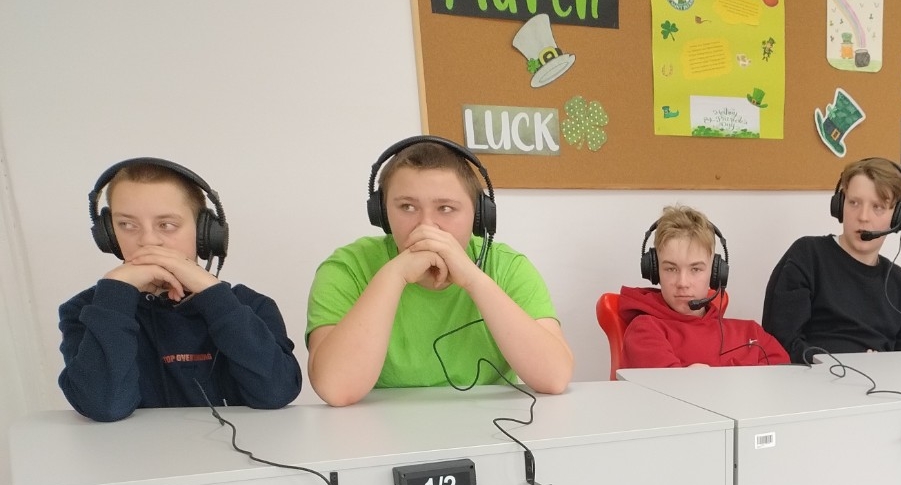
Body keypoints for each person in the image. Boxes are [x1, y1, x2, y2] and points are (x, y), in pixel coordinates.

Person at [306, 135, 572, 405]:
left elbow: (554, 377)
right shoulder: (348, 267)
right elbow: (336, 389)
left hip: (489, 423)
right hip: (378, 427)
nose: (426, 226)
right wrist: (394, 275)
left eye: (446, 208)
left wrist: (473, 279)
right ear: (381, 213)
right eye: (407, 207)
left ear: (479, 215)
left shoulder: (507, 266)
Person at [58, 158, 302, 422]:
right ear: (107, 235)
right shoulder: (89, 310)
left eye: (166, 225)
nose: (147, 240)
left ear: (205, 232)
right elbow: (105, 407)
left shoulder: (251, 307)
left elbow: (276, 393)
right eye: (127, 225)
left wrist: (213, 295)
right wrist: (115, 295)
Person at [761, 156, 901, 365]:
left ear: (898, 218)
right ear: (839, 205)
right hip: (811, 379)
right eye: (854, 203)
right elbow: (779, 342)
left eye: (878, 207)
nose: (863, 217)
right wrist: (843, 365)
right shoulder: (807, 256)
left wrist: (883, 367)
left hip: (882, 383)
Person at [619, 205, 786, 368]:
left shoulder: (751, 334)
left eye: (695, 269)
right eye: (671, 269)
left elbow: (783, 374)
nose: (683, 283)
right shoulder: (644, 331)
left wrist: (708, 375)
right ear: (655, 271)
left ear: (715, 273)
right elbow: (673, 384)